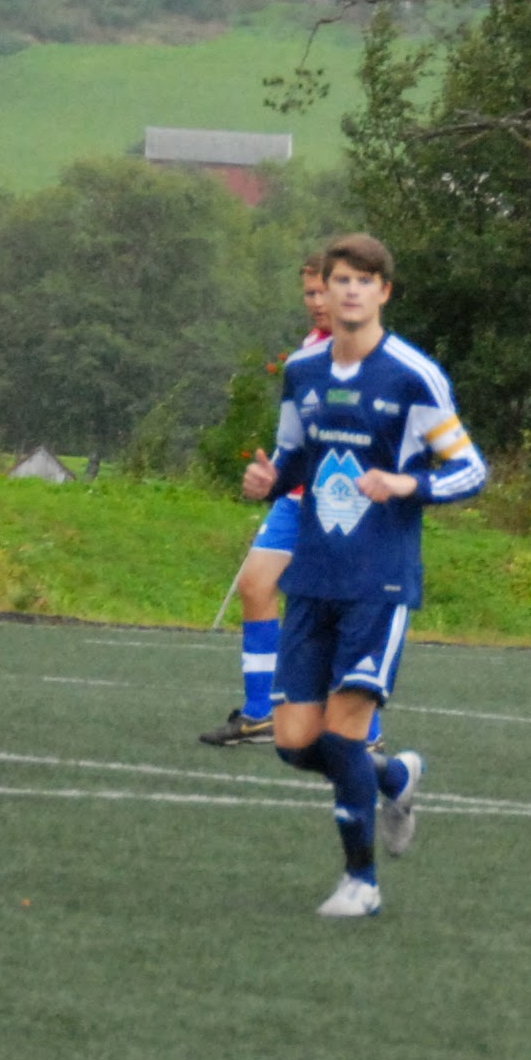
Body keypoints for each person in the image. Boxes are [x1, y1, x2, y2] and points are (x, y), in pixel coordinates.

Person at [241, 231, 484, 916]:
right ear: (324, 288)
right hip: (312, 577)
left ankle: (362, 882)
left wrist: (409, 485)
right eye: (339, 279)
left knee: (343, 732)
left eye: (363, 281)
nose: (349, 291)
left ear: (384, 292)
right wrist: (268, 480)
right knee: (294, 744)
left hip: (379, 582)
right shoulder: (302, 372)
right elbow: (293, 456)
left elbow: (471, 469)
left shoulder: (413, 375)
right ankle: (393, 777)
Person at [201, 254, 334, 748]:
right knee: (256, 585)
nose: (316, 302)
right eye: (309, 293)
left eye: (324, 291)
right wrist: (271, 475)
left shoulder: (366, 356)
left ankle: (364, 733)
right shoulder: (306, 354)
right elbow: (293, 436)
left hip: (339, 503)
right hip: (295, 499)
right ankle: (261, 713)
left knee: (335, 609)